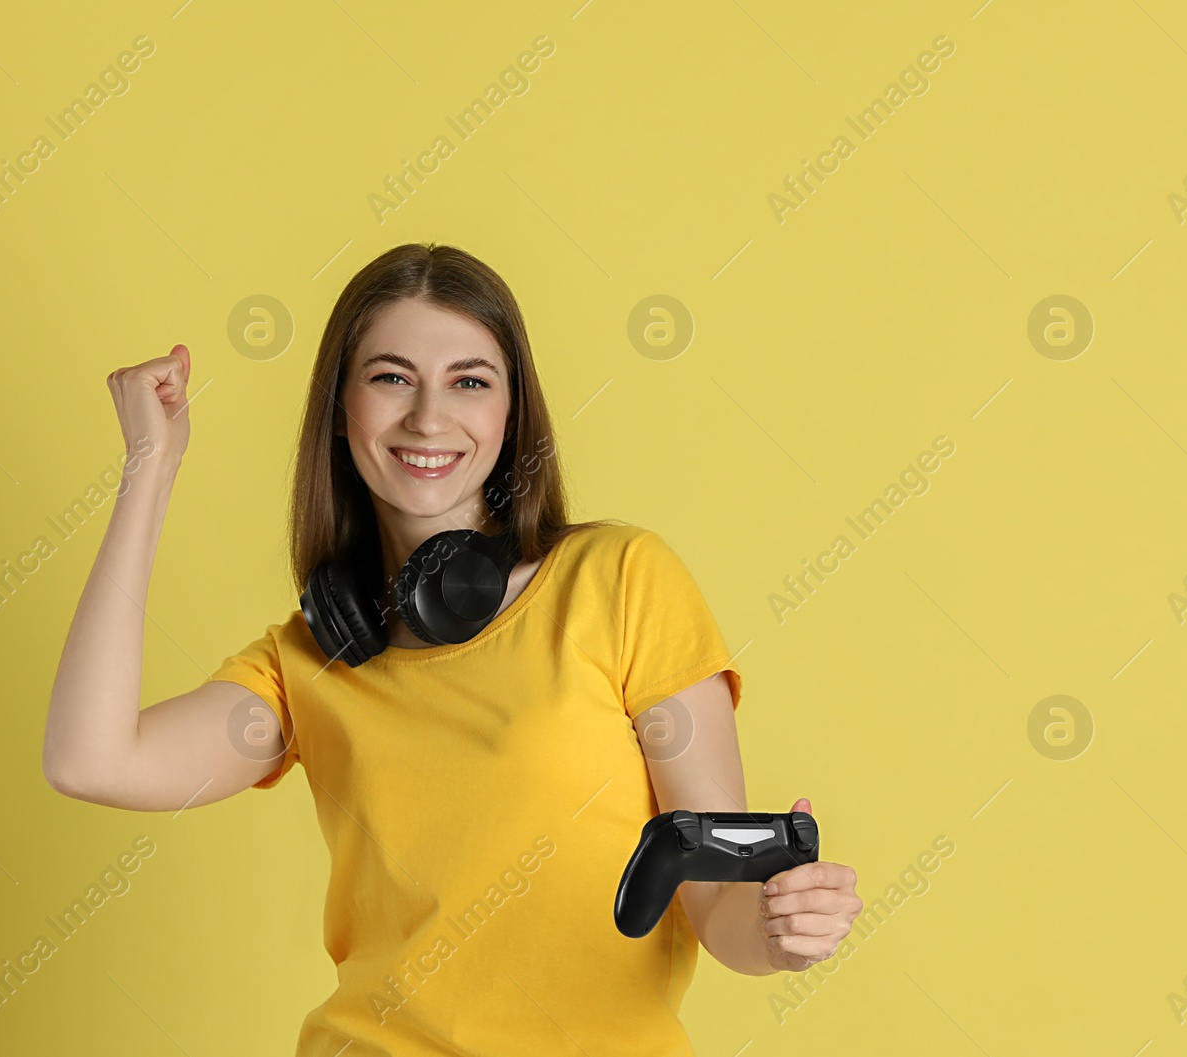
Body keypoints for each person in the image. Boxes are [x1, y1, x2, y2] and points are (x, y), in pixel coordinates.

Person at [43, 243, 861, 1056]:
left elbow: (713, 894)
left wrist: (777, 928)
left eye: (470, 381)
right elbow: (91, 760)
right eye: (391, 376)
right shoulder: (309, 662)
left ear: (511, 415)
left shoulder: (619, 581)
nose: (428, 417)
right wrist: (151, 465)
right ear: (341, 408)